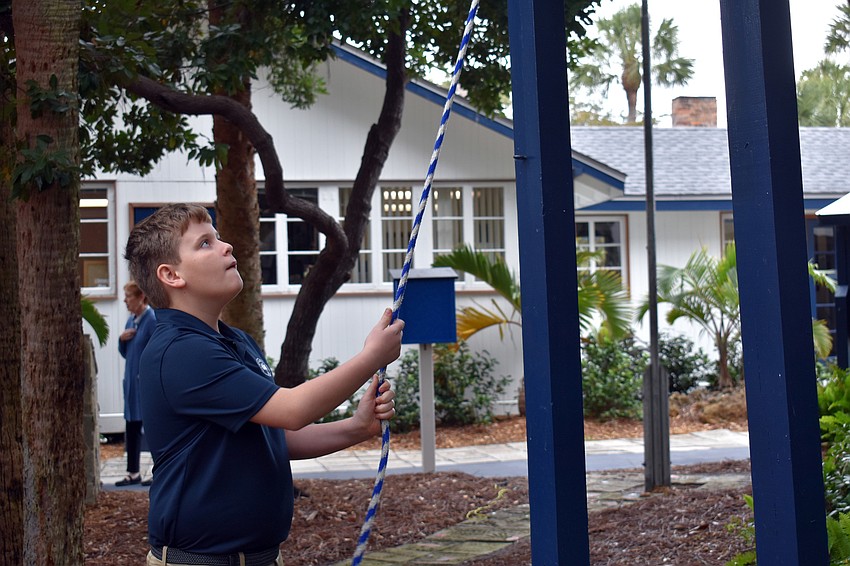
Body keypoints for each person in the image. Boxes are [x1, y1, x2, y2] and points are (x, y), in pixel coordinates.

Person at [124, 203, 403, 566]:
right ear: (171, 275)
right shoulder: (179, 351)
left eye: (219, 237)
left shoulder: (235, 341)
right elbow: (292, 409)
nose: (226, 246)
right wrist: (371, 358)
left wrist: (356, 428)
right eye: (205, 243)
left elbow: (274, 437)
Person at [115, 281, 156, 487]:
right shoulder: (130, 322)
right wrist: (122, 340)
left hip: (145, 386)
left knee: (153, 429)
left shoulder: (151, 320)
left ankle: (160, 471)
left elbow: (155, 352)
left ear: (141, 298)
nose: (125, 301)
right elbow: (125, 353)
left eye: (128, 296)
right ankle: (133, 472)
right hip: (131, 385)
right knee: (131, 426)